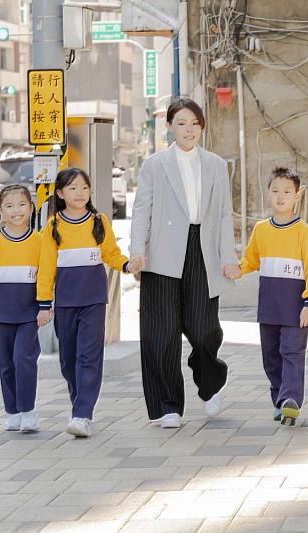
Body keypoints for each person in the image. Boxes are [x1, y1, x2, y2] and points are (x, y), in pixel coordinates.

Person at [128, 97, 239, 429]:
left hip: (202, 250)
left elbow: (223, 214)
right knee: (160, 334)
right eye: (181, 123)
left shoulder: (217, 165)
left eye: (194, 124)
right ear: (169, 127)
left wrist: (228, 257)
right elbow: (141, 211)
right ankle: (167, 405)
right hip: (161, 253)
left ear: (202, 126)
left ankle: (210, 384)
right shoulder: (154, 165)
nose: (188, 130)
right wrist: (137, 250)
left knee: (205, 329)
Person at [37, 168, 130, 438]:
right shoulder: (53, 226)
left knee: (89, 357)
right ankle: (80, 402)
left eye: (85, 188)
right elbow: (46, 269)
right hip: (65, 302)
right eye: (73, 188)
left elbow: (111, 254)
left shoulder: (98, 221)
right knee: (68, 361)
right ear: (60, 193)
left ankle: (82, 413)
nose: (80, 193)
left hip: (93, 300)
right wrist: (44, 304)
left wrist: (126, 265)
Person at [238, 167, 308, 426]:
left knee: (292, 352)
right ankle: (279, 399)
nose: (281, 196)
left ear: (297, 196)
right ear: (268, 193)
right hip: (268, 308)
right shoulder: (261, 229)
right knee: (271, 357)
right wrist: (236, 269)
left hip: (295, 308)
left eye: (287, 191)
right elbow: (250, 260)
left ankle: (290, 400)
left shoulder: (303, 232)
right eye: (275, 190)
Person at [0, 184, 42, 433]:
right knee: (6, 362)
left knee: (23, 359)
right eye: (9, 205)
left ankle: (29, 411)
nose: (16, 210)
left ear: (31, 207)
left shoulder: (38, 241)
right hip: (1, 313)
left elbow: (47, 274)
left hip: (29, 312)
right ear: (0, 211)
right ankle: (13, 411)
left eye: (22, 204)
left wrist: (46, 304)